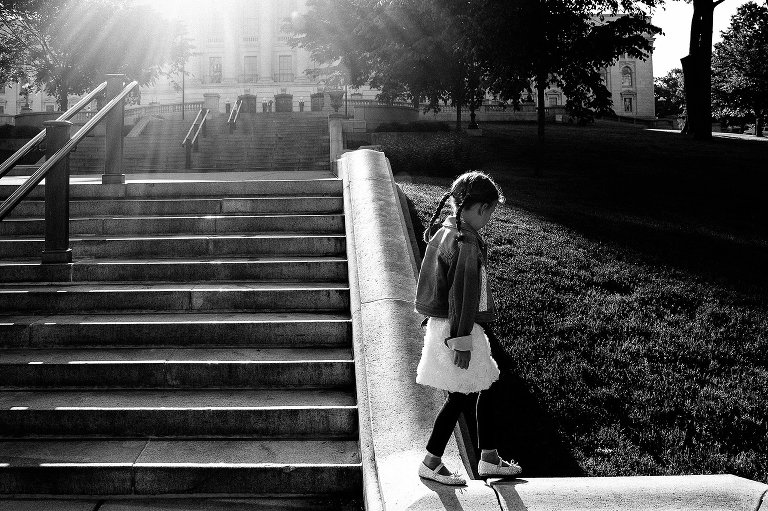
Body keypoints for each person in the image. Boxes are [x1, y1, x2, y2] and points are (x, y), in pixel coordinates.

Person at [414, 171, 522, 486]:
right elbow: (461, 291)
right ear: (479, 208)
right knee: (462, 395)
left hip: (447, 326)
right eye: (489, 212)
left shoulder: (448, 231)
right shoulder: (466, 240)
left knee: (484, 384)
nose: (489, 219)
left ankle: (488, 457)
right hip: (457, 328)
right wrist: (461, 340)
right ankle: (432, 461)